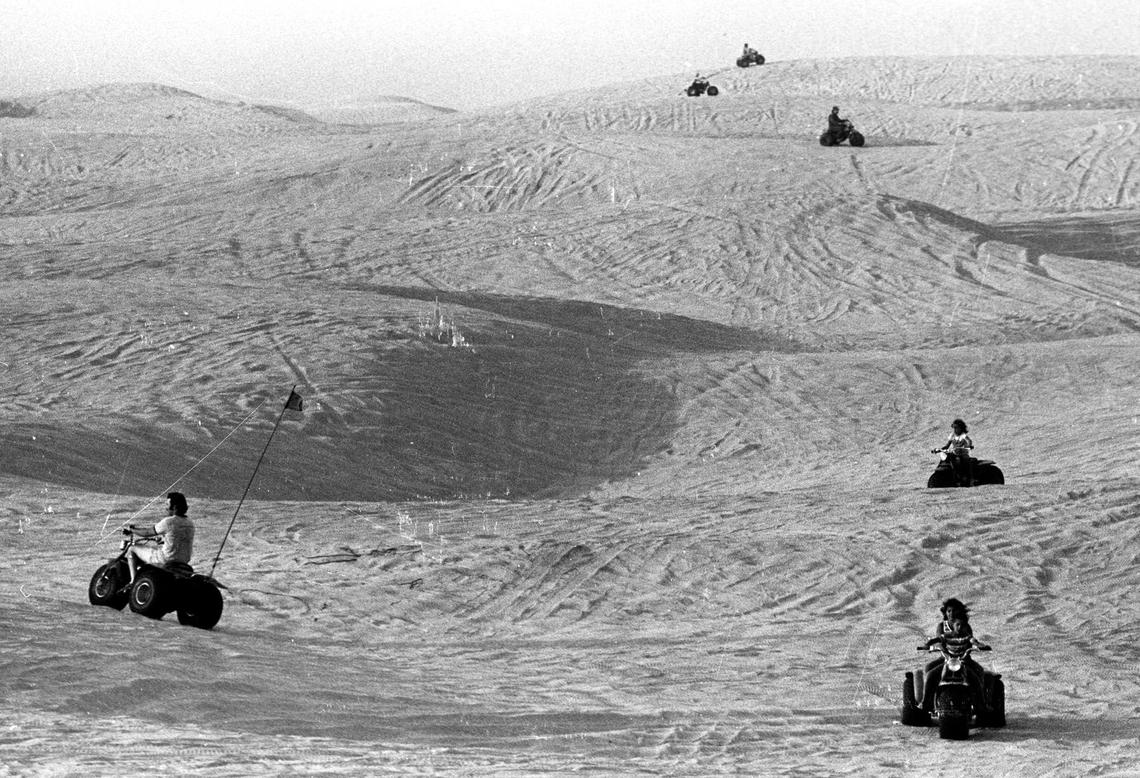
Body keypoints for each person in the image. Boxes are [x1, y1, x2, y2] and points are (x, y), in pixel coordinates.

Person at [918, 598, 990, 713]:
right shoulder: (942, 626)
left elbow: (971, 641)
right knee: (929, 672)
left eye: (954, 610)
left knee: (979, 673)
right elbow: (939, 641)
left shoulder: (965, 626)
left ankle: (981, 705)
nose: (951, 613)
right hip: (946, 659)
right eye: (949, 611)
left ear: (959, 611)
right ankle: (926, 704)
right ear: (945, 612)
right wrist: (932, 646)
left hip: (964, 659)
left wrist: (979, 645)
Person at [126, 491, 196, 583]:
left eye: (167, 504)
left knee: (132, 549)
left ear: (174, 507)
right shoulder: (190, 523)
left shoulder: (169, 521)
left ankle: (133, 582)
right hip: (183, 561)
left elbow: (147, 532)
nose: (166, 508)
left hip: (165, 559)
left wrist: (132, 530)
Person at [934, 418, 975, 485]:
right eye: (954, 428)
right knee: (947, 459)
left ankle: (970, 479)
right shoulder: (952, 435)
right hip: (954, 453)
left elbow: (969, 441)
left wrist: (969, 446)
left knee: (963, 461)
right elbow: (947, 445)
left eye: (956, 428)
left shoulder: (963, 436)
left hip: (962, 453)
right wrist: (939, 449)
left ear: (961, 428)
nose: (955, 429)